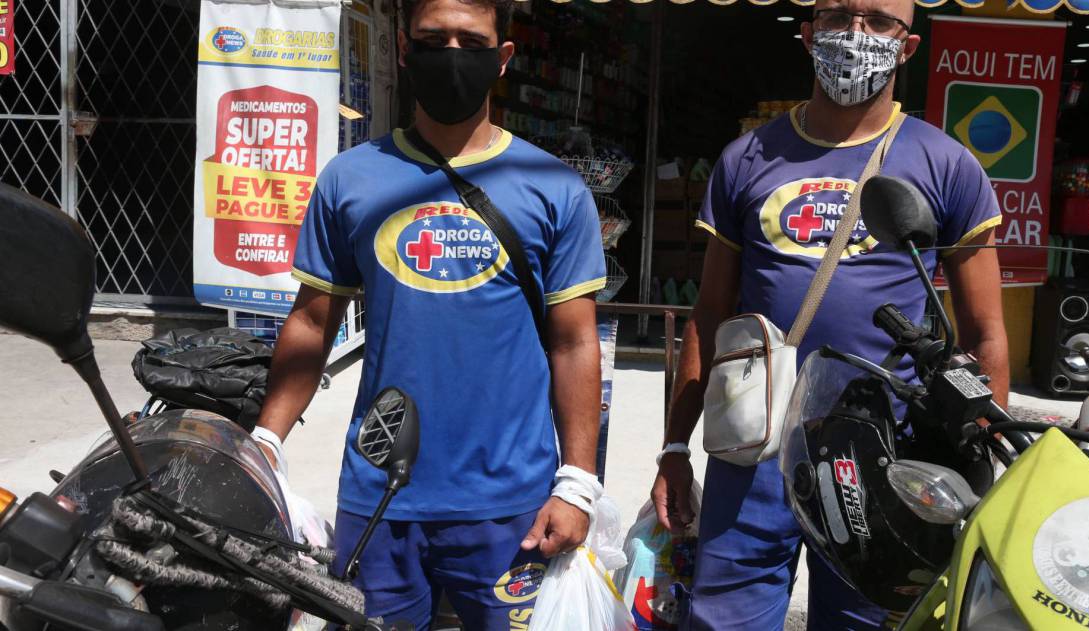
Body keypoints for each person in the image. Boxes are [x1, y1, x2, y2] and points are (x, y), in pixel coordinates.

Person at [650, 0, 1010, 629]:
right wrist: (676, 446)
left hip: (882, 453)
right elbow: (709, 317)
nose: (855, 35)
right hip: (751, 442)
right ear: (807, 33)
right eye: (838, 16)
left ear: (908, 47)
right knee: (723, 618)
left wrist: (985, 466)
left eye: (878, 21)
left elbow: (985, 332)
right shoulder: (747, 159)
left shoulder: (946, 164)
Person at [251, 0, 608, 627]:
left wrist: (578, 481)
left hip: (510, 502)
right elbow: (312, 321)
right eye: (431, 38)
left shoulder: (554, 188)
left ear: (502, 60)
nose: (450, 55)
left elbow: (574, 342)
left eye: (470, 41)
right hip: (380, 492)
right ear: (404, 50)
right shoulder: (350, 179)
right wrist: (266, 443)